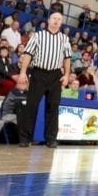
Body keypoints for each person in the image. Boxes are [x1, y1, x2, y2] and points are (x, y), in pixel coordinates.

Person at [16, 11, 71, 147]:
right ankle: (24, 138)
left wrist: (66, 75)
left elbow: (67, 58)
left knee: (53, 107)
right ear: (48, 20)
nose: (56, 21)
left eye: (59, 19)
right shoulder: (38, 35)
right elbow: (28, 54)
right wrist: (23, 72)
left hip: (55, 75)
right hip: (38, 73)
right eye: (54, 18)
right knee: (31, 106)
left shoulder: (64, 39)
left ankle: (51, 139)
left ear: (61, 22)